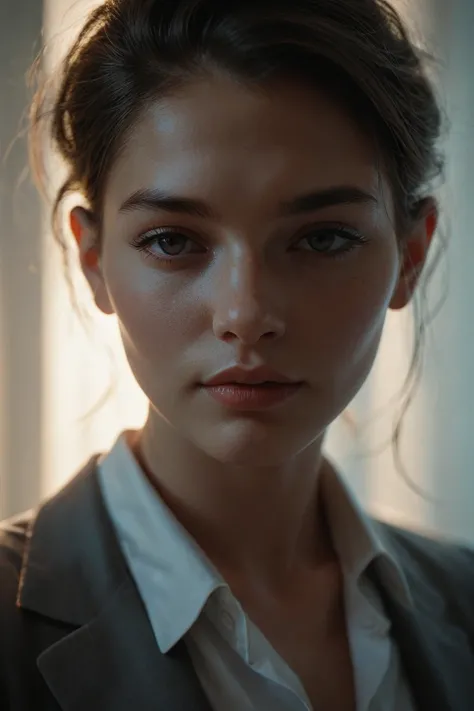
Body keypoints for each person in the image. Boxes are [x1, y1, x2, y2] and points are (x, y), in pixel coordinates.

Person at [1, 0, 473, 709]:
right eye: (172, 240)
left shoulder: (464, 600)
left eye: (321, 239)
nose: (246, 314)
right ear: (93, 258)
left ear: (410, 256)